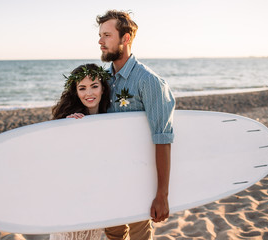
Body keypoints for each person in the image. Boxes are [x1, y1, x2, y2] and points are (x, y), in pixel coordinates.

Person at [96, 10, 176, 240]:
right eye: (100, 35)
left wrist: (162, 194)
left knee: (140, 236)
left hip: (139, 178)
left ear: (126, 38)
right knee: (113, 234)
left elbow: (163, 138)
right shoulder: (104, 79)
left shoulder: (148, 81)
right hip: (111, 176)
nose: (100, 41)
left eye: (107, 35)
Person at [49, 63, 111, 240]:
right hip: (71, 199)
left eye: (94, 86)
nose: (89, 93)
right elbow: (57, 158)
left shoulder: (111, 118)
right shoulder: (70, 119)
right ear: (75, 92)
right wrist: (65, 128)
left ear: (103, 88)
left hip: (95, 198)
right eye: (82, 88)